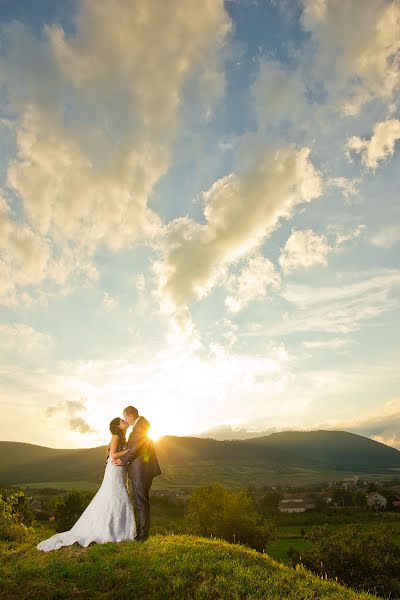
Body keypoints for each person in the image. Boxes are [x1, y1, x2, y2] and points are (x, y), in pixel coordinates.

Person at [37, 418, 136, 552]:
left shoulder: (122, 437)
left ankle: (120, 529)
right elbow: (113, 455)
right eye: (122, 420)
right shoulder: (116, 436)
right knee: (116, 495)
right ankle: (114, 530)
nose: (125, 421)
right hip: (114, 469)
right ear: (118, 425)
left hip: (120, 469)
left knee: (118, 495)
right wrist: (129, 450)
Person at [113, 406, 161, 541]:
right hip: (143, 469)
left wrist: (122, 460)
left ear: (130, 415)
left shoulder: (141, 426)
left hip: (141, 470)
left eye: (125, 416)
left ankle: (142, 536)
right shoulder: (141, 425)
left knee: (141, 503)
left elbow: (135, 449)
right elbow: (133, 446)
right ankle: (142, 533)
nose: (125, 419)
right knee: (142, 502)